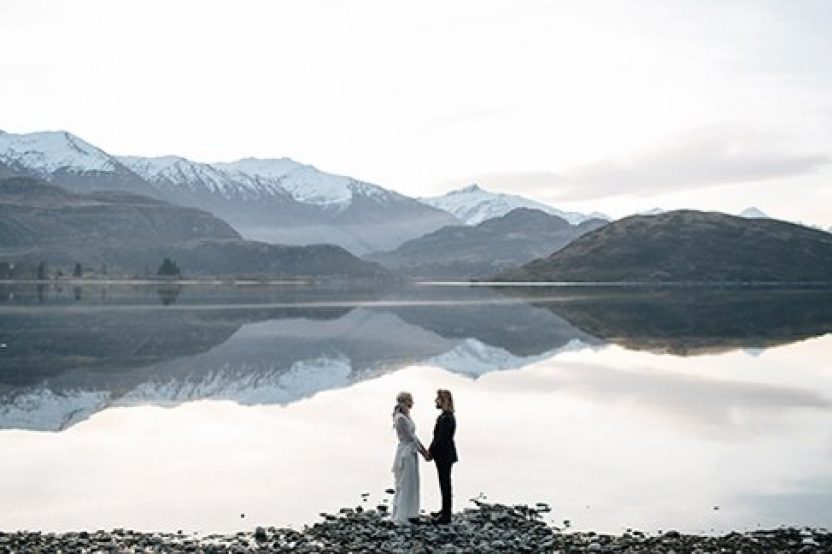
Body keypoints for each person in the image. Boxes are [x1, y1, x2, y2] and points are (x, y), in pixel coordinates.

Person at [390, 391, 430, 525]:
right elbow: (411, 437)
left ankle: (410, 512)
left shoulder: (405, 416)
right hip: (406, 452)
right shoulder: (401, 418)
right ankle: (403, 514)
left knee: (411, 482)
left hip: (410, 450)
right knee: (406, 482)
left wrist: (422, 451)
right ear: (404, 402)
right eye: (410, 400)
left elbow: (413, 437)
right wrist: (424, 451)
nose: (412, 403)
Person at [427, 388, 457, 524]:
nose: (435, 401)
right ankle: (444, 510)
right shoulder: (446, 416)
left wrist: (430, 452)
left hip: (444, 455)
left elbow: (440, 439)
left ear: (443, 400)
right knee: (444, 483)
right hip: (445, 454)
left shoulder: (447, 418)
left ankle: (446, 515)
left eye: (438, 399)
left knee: (445, 484)